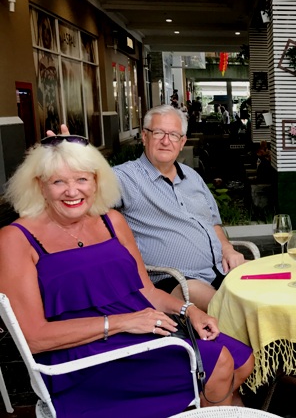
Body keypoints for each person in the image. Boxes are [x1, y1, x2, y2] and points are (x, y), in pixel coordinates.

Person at [0, 134, 254, 417]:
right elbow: (34, 337)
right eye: (58, 182)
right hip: (84, 355)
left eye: (82, 179)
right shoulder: (16, 238)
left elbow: (146, 290)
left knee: (244, 361)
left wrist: (189, 310)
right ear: (40, 186)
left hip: (142, 330)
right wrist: (123, 322)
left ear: (96, 182)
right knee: (219, 364)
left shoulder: (111, 221)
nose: (72, 191)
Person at [112, 105, 247, 311]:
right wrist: (70, 156)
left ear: (182, 142)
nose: (166, 141)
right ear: (145, 137)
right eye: (158, 133)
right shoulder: (125, 178)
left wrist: (227, 248)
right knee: (234, 310)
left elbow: (213, 223)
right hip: (176, 280)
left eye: (174, 135)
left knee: (272, 288)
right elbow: (83, 195)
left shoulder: (192, 176)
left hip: (220, 268)